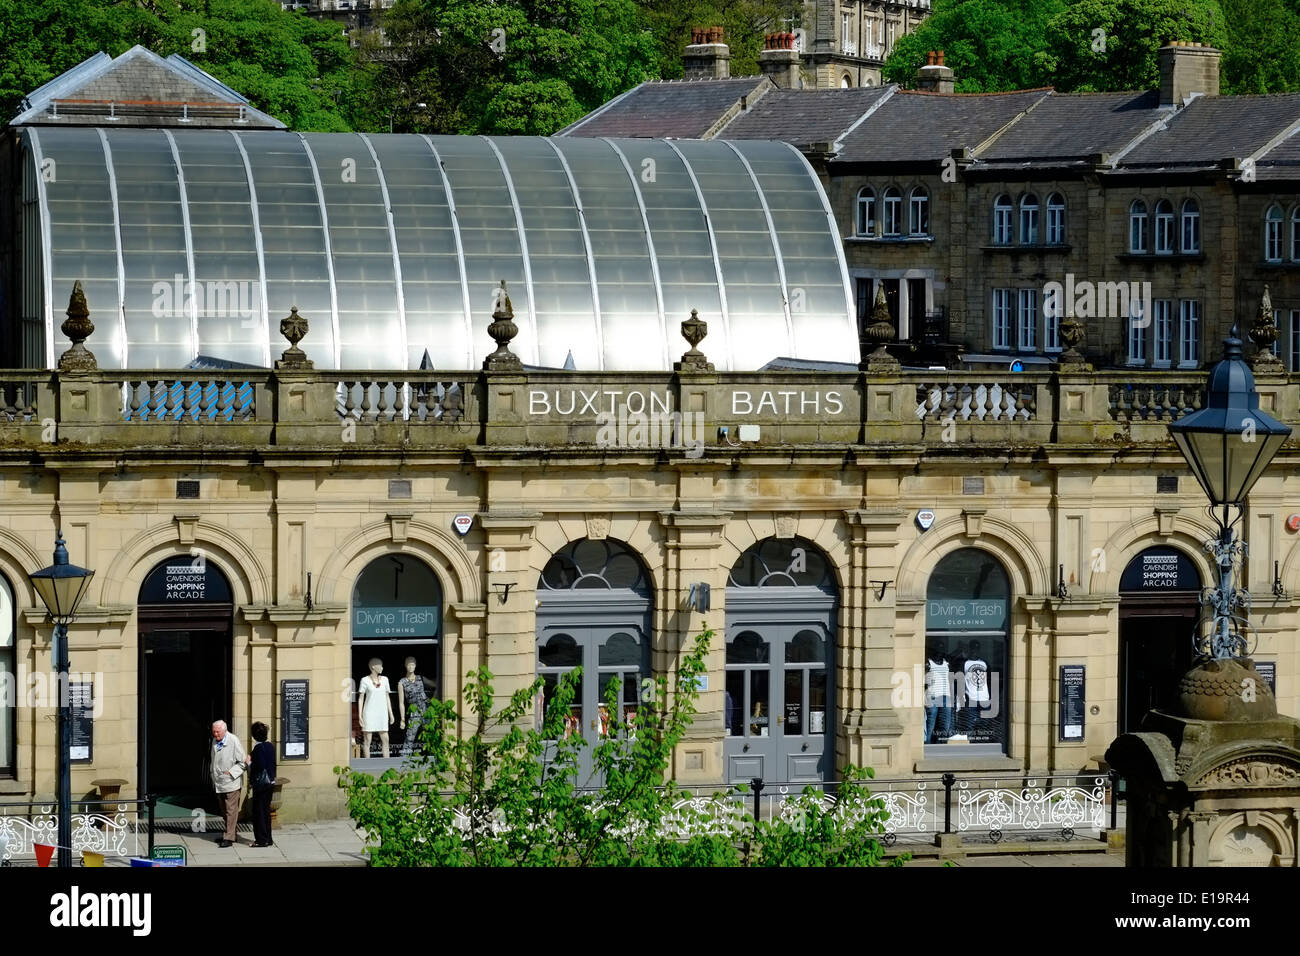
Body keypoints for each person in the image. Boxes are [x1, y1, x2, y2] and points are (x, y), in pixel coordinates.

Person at [210, 720, 248, 848]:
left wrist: (231, 773)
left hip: (231, 783)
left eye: (218, 732)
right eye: (214, 731)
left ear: (225, 731)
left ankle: (229, 837)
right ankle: (232, 834)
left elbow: (243, 762)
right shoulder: (215, 741)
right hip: (219, 782)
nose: (215, 734)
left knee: (231, 811)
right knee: (224, 811)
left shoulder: (233, 740)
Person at [358, 658, 394, 757]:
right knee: (367, 740)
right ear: (373, 667)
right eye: (380, 665)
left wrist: (391, 714)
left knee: (385, 739)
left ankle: (387, 763)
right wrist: (360, 716)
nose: (382, 667)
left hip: (382, 713)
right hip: (369, 712)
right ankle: (367, 764)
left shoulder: (385, 680)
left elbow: (387, 697)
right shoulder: (365, 680)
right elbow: (361, 698)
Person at [248, 721, 277, 848]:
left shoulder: (258, 748)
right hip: (270, 783)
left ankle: (261, 840)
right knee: (266, 812)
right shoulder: (270, 746)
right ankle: (268, 838)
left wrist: (249, 763)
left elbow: (259, 766)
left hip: (261, 784)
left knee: (258, 812)